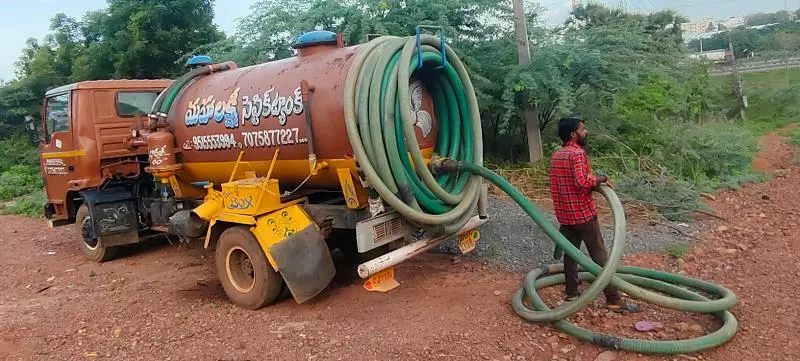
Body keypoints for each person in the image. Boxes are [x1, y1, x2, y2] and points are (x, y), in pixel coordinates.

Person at [548, 116, 640, 313]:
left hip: (565, 215)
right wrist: (601, 178)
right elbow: (581, 181)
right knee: (599, 254)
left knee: (571, 254)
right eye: (582, 129)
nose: (586, 131)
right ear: (574, 134)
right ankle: (613, 298)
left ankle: (572, 292)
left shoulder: (557, 155)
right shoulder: (577, 153)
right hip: (583, 214)